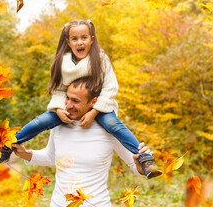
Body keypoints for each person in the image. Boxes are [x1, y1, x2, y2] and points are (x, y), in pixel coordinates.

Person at [0, 19, 161, 179]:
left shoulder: (100, 59)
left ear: (92, 39)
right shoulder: (63, 62)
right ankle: (7, 147)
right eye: (75, 39)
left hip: (100, 106)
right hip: (68, 107)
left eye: (84, 37)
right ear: (68, 42)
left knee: (113, 125)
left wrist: (94, 113)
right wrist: (59, 109)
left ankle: (145, 159)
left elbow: (110, 88)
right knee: (41, 121)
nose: (80, 42)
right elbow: (59, 90)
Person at [13, 77, 153, 206]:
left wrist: (139, 165)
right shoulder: (60, 124)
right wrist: (26, 154)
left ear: (94, 102)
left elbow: (136, 167)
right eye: (67, 98)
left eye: (75, 101)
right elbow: (51, 157)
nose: (68, 105)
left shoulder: (110, 129)